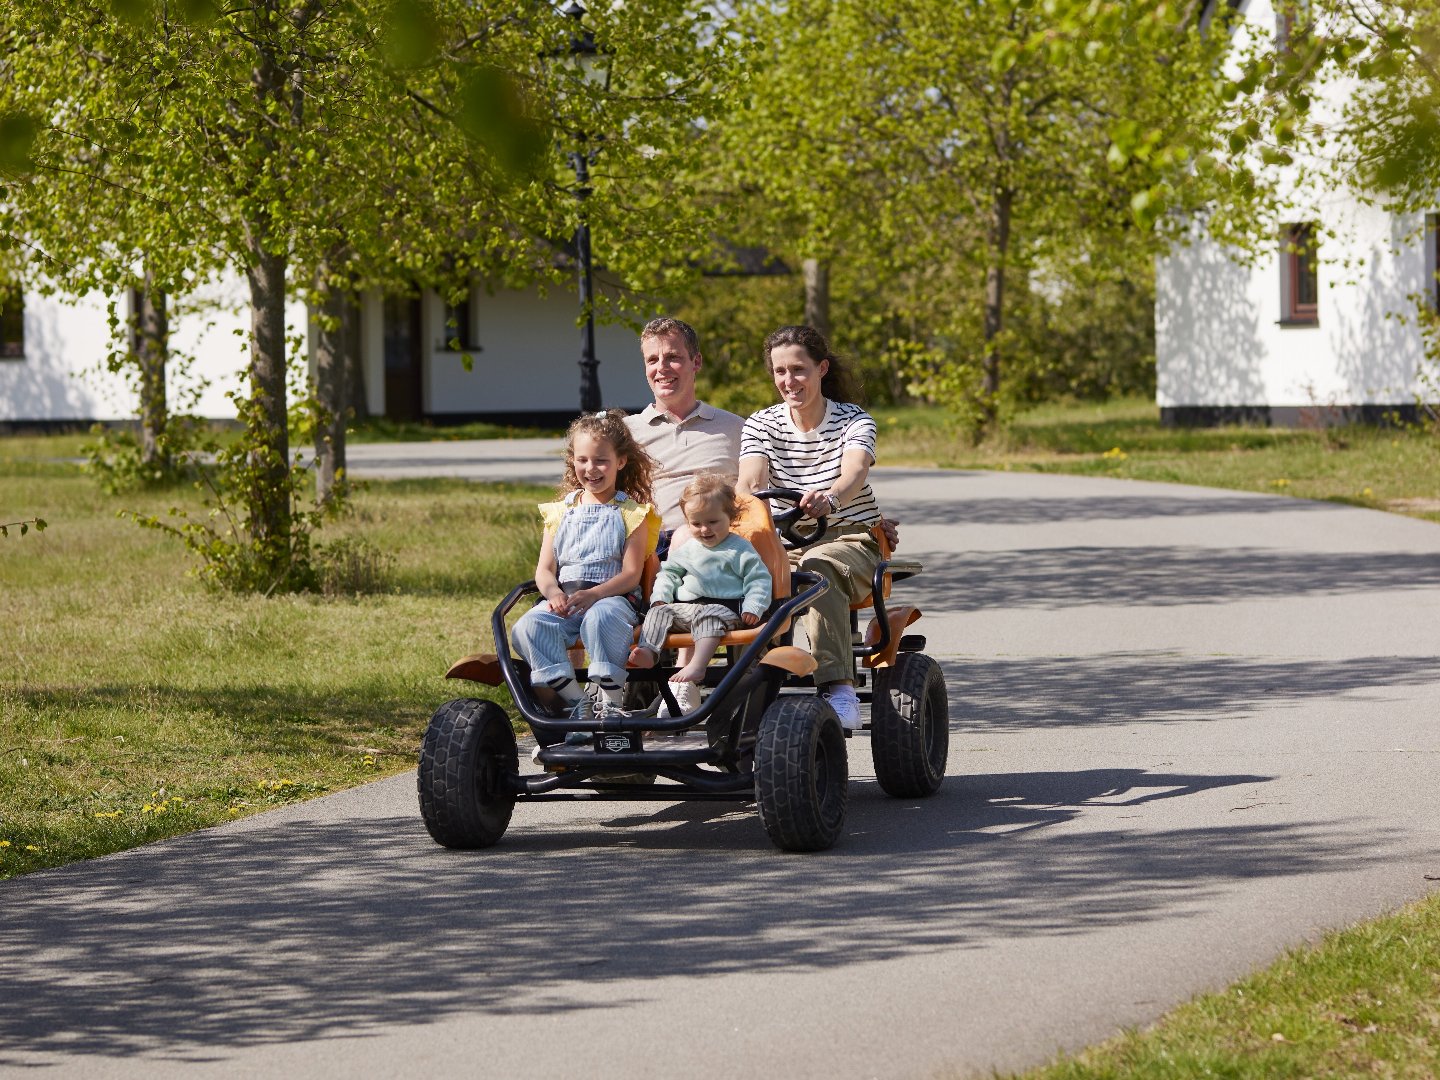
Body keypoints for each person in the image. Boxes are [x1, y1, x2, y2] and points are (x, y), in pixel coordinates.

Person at [736, 325, 884, 731]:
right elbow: (749, 481)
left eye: (798, 370)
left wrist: (831, 497)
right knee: (741, 576)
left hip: (849, 537)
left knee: (815, 569)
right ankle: (742, 693)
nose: (789, 381)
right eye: (780, 371)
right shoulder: (761, 424)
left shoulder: (854, 420)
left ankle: (839, 688)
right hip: (783, 542)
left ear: (821, 369)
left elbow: (854, 471)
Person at [511, 409, 661, 721]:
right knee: (528, 626)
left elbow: (632, 574)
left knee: (601, 618)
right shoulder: (560, 512)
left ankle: (609, 702)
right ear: (573, 460)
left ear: (620, 462)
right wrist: (552, 593)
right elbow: (544, 569)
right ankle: (577, 704)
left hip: (613, 599)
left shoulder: (632, 513)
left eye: (600, 461)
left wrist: (595, 595)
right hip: (567, 600)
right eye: (582, 460)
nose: (590, 469)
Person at [628, 473, 772, 695]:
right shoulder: (688, 548)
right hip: (690, 609)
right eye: (696, 523)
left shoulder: (739, 549)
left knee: (709, 616)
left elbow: (759, 578)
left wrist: (754, 606)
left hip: (726, 609)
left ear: (730, 516)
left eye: (713, 522)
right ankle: (648, 651)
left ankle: (697, 665)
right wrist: (660, 598)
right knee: (658, 613)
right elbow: (669, 574)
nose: (705, 530)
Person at [624, 318, 746, 553]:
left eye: (673, 357)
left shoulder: (736, 428)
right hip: (646, 551)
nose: (661, 367)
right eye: (652, 360)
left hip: (720, 547)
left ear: (696, 361)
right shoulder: (625, 433)